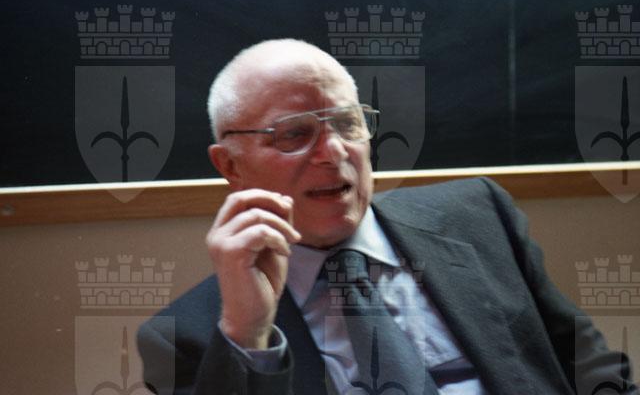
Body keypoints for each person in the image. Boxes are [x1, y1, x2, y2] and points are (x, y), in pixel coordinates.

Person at [137, 39, 636, 395]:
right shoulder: (189, 334)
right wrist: (250, 334)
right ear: (230, 165)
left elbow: (593, 371)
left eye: (347, 123)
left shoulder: (478, 216)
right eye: (294, 134)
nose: (334, 152)